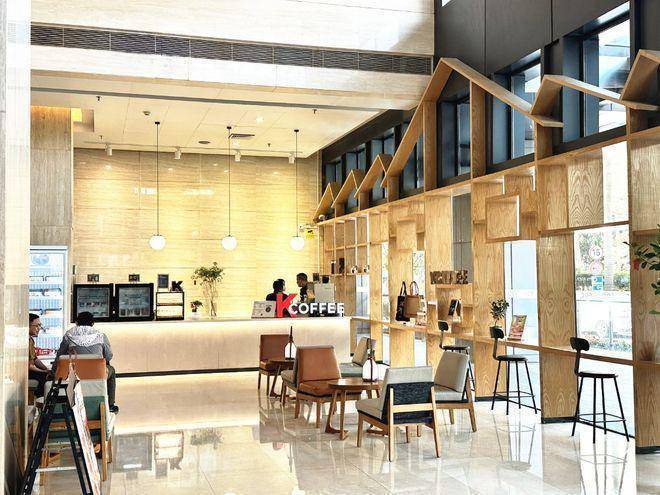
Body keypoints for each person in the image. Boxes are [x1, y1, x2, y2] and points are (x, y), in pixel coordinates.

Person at [55, 312, 119, 413]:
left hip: (74, 375)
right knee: (112, 370)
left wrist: (53, 371)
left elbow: (60, 356)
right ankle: (110, 405)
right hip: (97, 374)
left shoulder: (68, 335)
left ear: (76, 322)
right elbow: (108, 356)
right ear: (93, 323)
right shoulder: (101, 336)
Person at [28, 313, 51, 397]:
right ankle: (41, 401)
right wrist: (44, 371)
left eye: (40, 325)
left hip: (31, 370)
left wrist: (47, 369)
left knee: (49, 374)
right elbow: (28, 366)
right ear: (28, 325)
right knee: (44, 377)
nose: (39, 328)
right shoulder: (24, 341)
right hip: (26, 372)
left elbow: (35, 359)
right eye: (37, 326)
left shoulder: (31, 340)